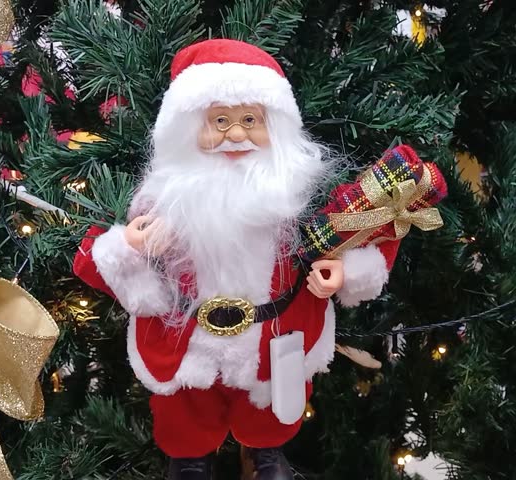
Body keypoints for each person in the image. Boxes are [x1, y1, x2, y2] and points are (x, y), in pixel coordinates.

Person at [73, 39, 400, 480]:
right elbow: (97, 262)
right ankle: (189, 458)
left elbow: (355, 234)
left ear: (276, 126)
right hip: (188, 343)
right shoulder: (162, 202)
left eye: (251, 120)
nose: (236, 134)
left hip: (275, 334)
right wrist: (129, 244)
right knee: (184, 409)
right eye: (219, 121)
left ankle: (265, 454)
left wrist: (344, 272)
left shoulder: (296, 199)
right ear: (188, 130)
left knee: (272, 406)